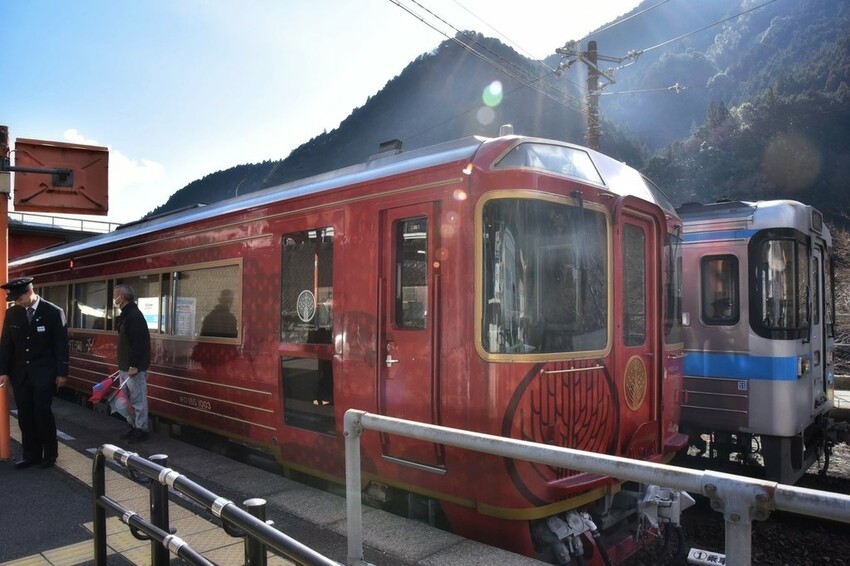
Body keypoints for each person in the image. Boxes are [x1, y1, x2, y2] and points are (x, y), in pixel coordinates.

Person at [0, 277, 69, 469]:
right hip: (20, 373)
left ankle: (50, 454)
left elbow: (61, 345)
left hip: (44, 373)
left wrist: (62, 373)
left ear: (30, 292)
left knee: (42, 412)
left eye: (19, 298)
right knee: (25, 414)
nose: (17, 302)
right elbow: (6, 344)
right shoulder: (13, 313)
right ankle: (31, 454)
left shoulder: (53, 312)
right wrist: (3, 371)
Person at [113, 284, 151, 443]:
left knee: (138, 400)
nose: (113, 299)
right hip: (125, 366)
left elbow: (139, 343)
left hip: (133, 368)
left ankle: (141, 429)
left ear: (121, 297)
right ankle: (133, 426)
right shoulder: (126, 315)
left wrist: (135, 365)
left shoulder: (134, 316)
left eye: (115, 295)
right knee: (127, 400)